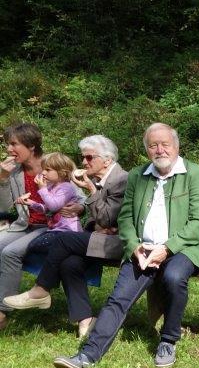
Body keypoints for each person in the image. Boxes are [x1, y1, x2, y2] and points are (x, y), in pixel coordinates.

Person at [52, 122, 199, 368]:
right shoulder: (138, 175)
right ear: (146, 149)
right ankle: (86, 355)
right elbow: (126, 218)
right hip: (143, 250)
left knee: (173, 277)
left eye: (165, 144)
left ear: (176, 146)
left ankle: (168, 340)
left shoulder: (196, 174)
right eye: (153, 145)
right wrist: (134, 246)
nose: (159, 150)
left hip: (183, 248)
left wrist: (167, 249)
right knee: (118, 298)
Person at [2, 136, 127, 338]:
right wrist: (94, 224)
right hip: (100, 236)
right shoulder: (98, 179)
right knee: (70, 263)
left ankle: (41, 289)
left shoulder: (122, 179)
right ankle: (85, 319)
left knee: (63, 239)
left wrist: (91, 193)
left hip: (120, 242)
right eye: (82, 157)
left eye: (89, 157)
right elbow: (95, 218)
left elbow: (108, 217)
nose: (83, 162)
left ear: (107, 160)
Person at [0, 123, 53, 331]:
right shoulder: (14, 172)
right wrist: (3, 178)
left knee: (10, 252)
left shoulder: (53, 164)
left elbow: (78, 199)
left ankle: (2, 312)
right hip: (24, 224)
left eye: (14, 144)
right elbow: (5, 207)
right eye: (8, 144)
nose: (9, 149)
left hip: (49, 226)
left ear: (31, 146)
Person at [22, 152, 82, 237]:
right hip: (56, 229)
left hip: (68, 230)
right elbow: (47, 209)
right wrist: (32, 203)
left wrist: (42, 189)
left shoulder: (66, 187)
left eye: (48, 170)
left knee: (37, 243)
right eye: (43, 169)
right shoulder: (52, 187)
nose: (43, 172)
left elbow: (53, 207)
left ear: (62, 172)